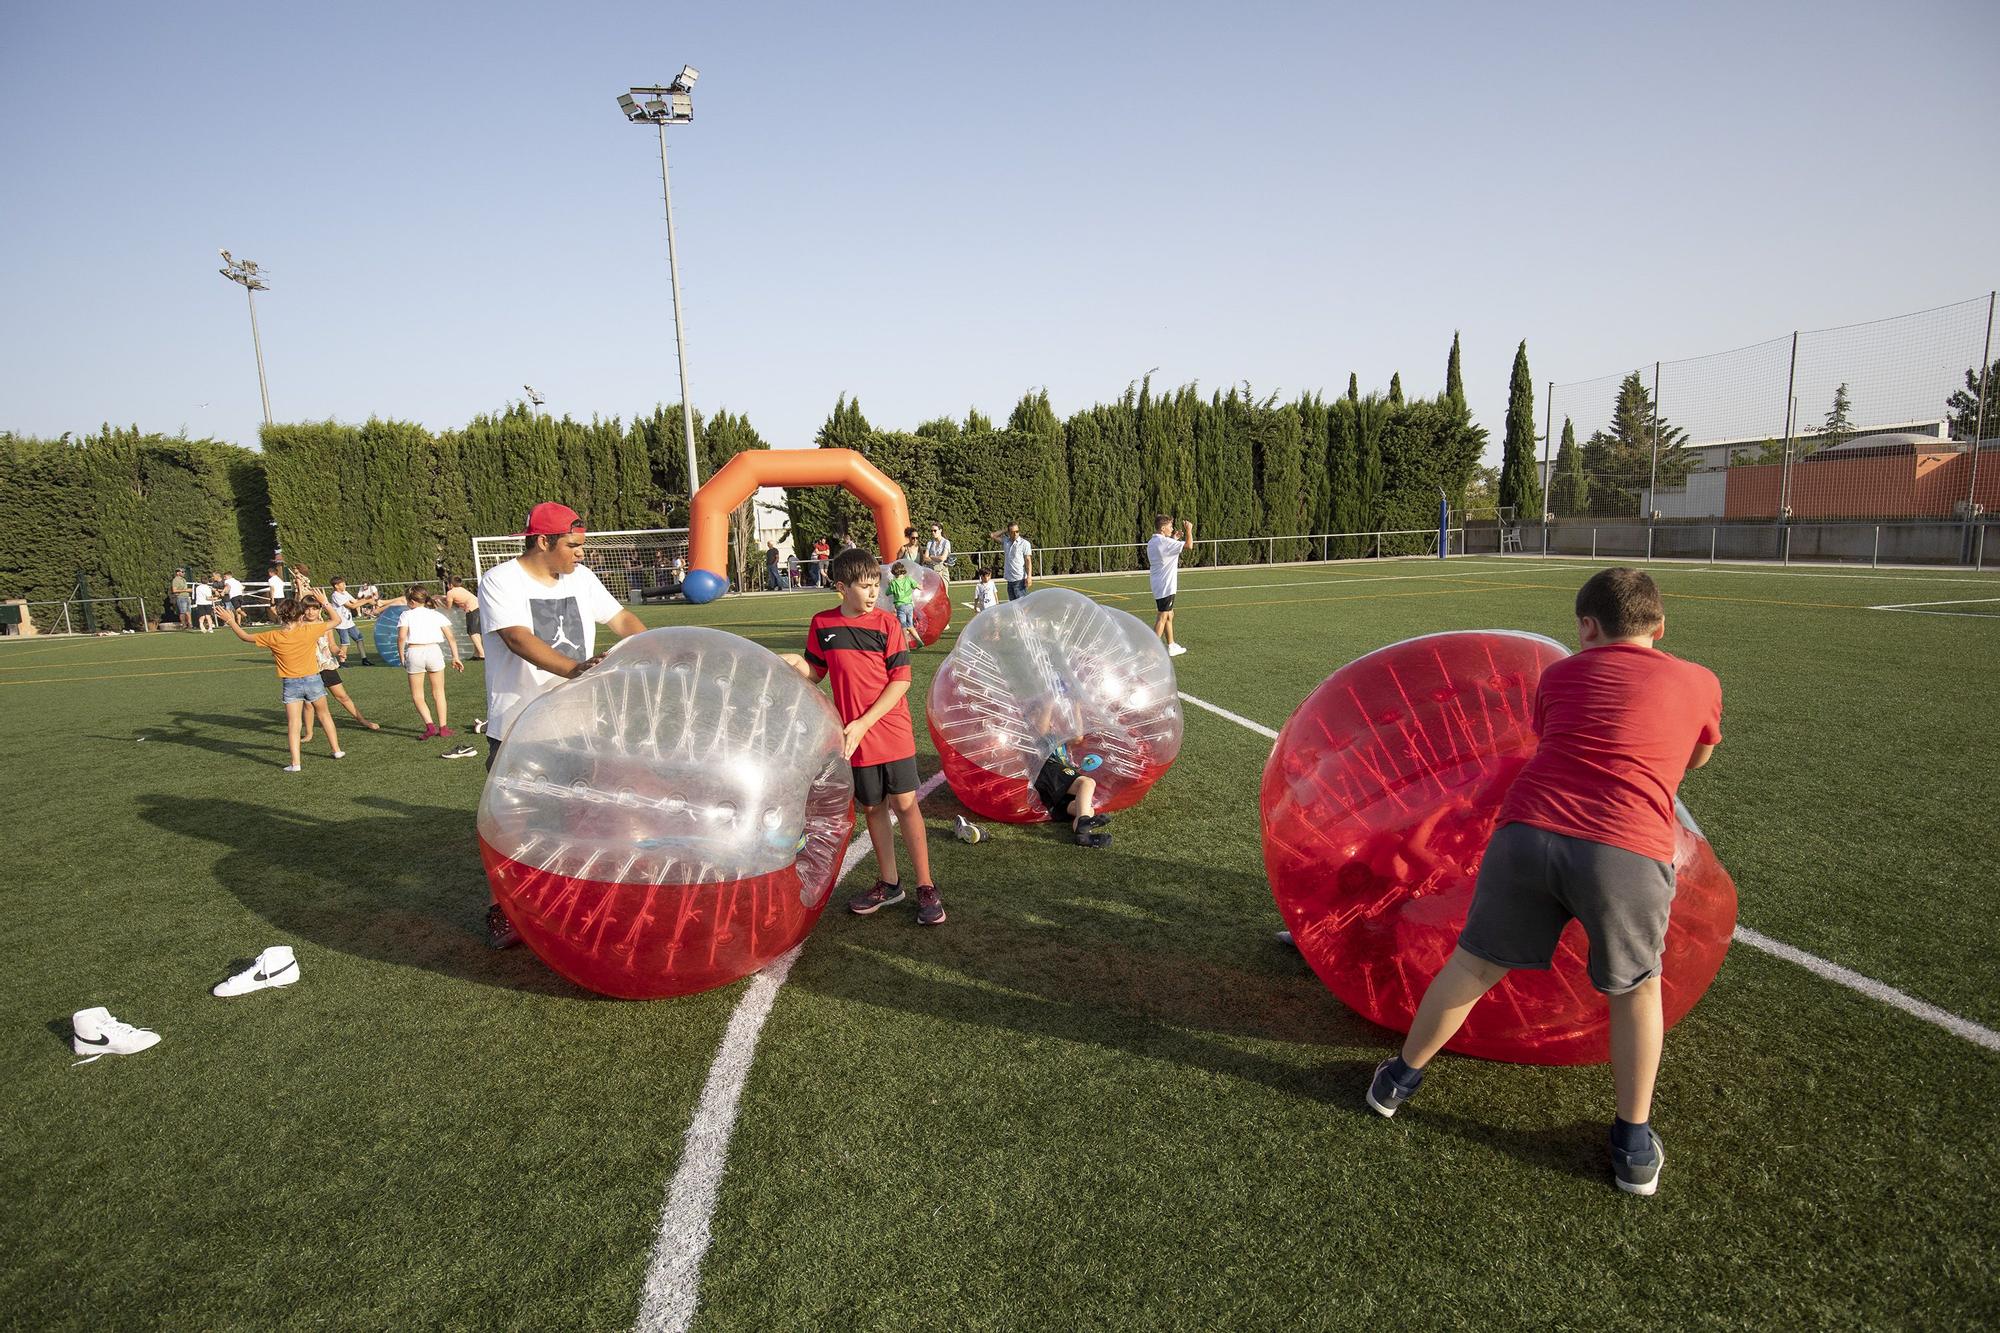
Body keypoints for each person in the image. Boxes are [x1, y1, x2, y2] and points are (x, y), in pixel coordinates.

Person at [1363, 568, 1722, 1199]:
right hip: (1624, 848)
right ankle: (1633, 1145)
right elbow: (1696, 756)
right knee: (1637, 990)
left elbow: (1552, 736)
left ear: (1587, 626)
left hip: (1527, 832)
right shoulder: (1699, 681)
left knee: (1473, 965)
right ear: (1661, 627)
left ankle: (1397, 1082)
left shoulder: (1558, 676)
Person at [478, 502, 648, 946]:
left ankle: (572, 896)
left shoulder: (582, 578)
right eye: (572, 545)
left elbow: (621, 619)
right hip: (519, 725)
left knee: (581, 816)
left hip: (579, 725)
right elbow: (516, 638)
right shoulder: (500, 580)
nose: (580, 553)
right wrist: (576, 670)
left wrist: (652, 647)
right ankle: (502, 910)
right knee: (511, 823)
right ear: (542, 541)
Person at [782, 547, 943, 926]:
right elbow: (815, 671)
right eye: (864, 586)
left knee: (905, 803)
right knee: (873, 807)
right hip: (854, 737)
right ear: (841, 587)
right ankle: (890, 883)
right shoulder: (823, 624)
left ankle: (925, 885)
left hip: (889, 729)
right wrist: (792, 664)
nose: (873, 593)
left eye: (875, 585)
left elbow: (901, 681)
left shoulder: (887, 624)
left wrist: (864, 722)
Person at [215, 592, 345, 772]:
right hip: (313, 679)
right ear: (301, 616)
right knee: (324, 715)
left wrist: (231, 620)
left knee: (294, 724)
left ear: (281, 616)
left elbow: (244, 636)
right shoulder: (309, 630)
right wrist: (325, 603)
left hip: (291, 684)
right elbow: (337, 620)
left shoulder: (273, 636)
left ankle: (296, 763)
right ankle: (336, 750)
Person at [300, 600, 382, 739]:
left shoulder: (326, 626)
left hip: (326, 666)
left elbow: (332, 645)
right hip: (308, 669)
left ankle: (363, 721)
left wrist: (339, 651)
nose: (310, 612)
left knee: (342, 696)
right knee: (308, 704)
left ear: (319, 610)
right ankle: (309, 733)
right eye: (307, 609)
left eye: (314, 609)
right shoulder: (300, 626)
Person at [397, 586, 464, 741]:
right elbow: (451, 637)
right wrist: (455, 657)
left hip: (415, 651)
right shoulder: (436, 614)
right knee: (439, 692)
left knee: (417, 695)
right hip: (434, 651)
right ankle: (443, 728)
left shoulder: (406, 615)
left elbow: (401, 638)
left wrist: (401, 656)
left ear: (411, 601)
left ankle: (430, 726)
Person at [1147, 513, 1194, 657]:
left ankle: (1171, 645)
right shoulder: (1165, 542)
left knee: (1169, 614)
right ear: (1162, 528)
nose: (1172, 529)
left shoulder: (1153, 541)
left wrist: (1174, 539)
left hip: (1158, 583)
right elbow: (1189, 546)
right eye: (1170, 526)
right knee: (1162, 616)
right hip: (1166, 585)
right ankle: (1151, 651)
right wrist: (1189, 531)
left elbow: (1165, 550)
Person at [327, 577, 370, 665]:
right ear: (336, 586)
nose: (345, 585)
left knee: (359, 639)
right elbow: (351, 606)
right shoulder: (336, 595)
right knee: (345, 643)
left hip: (349, 623)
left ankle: (364, 659)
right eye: (342, 584)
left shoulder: (345, 593)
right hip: (341, 624)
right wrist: (367, 601)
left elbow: (355, 602)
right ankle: (342, 662)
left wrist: (367, 598)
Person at [988, 521, 1034, 600]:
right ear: (1009, 533)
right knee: (1013, 605)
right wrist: (1005, 530)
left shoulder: (1024, 543)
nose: (1015, 534)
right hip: (1009, 579)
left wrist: (1029, 576)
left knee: (1022, 604)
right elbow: (993, 535)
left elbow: (1028, 561)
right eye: (1012, 532)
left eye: (1017, 531)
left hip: (1020, 580)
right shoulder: (1006, 541)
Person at [443, 575, 484, 661]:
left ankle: (482, 654)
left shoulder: (450, 593)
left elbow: (448, 607)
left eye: (447, 584)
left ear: (451, 584)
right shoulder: (461, 589)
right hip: (479, 607)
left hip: (472, 609)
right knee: (476, 632)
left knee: (473, 633)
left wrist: (439, 602)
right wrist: (442, 597)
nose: (447, 585)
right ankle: (477, 654)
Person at [887, 560, 920, 645]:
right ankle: (920, 641)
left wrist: (889, 585)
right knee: (910, 625)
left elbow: (887, 593)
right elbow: (919, 586)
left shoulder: (893, 583)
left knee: (903, 628)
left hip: (900, 606)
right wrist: (919, 586)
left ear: (894, 572)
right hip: (909, 606)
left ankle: (906, 647)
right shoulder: (908, 579)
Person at [922, 523, 954, 587]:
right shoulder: (930, 543)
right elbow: (925, 558)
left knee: (943, 592)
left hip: (942, 571)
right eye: (931, 531)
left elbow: (943, 558)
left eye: (935, 530)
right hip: (931, 571)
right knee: (932, 592)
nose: (933, 532)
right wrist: (936, 559)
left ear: (940, 530)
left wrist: (931, 557)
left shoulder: (946, 542)